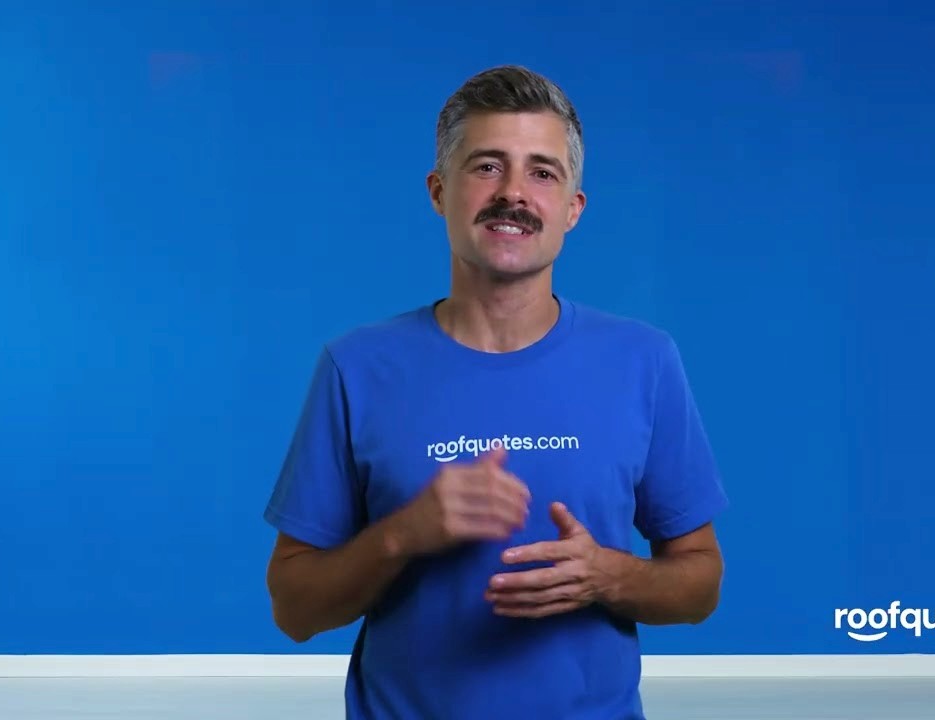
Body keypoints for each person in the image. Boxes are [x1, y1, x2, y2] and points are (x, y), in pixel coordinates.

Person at [263, 64, 729, 720]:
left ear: (573, 208)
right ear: (438, 190)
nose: (513, 193)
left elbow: (700, 581)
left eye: (542, 172)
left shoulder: (643, 362)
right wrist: (403, 535)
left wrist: (607, 576)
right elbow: (294, 609)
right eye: (486, 166)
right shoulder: (357, 367)